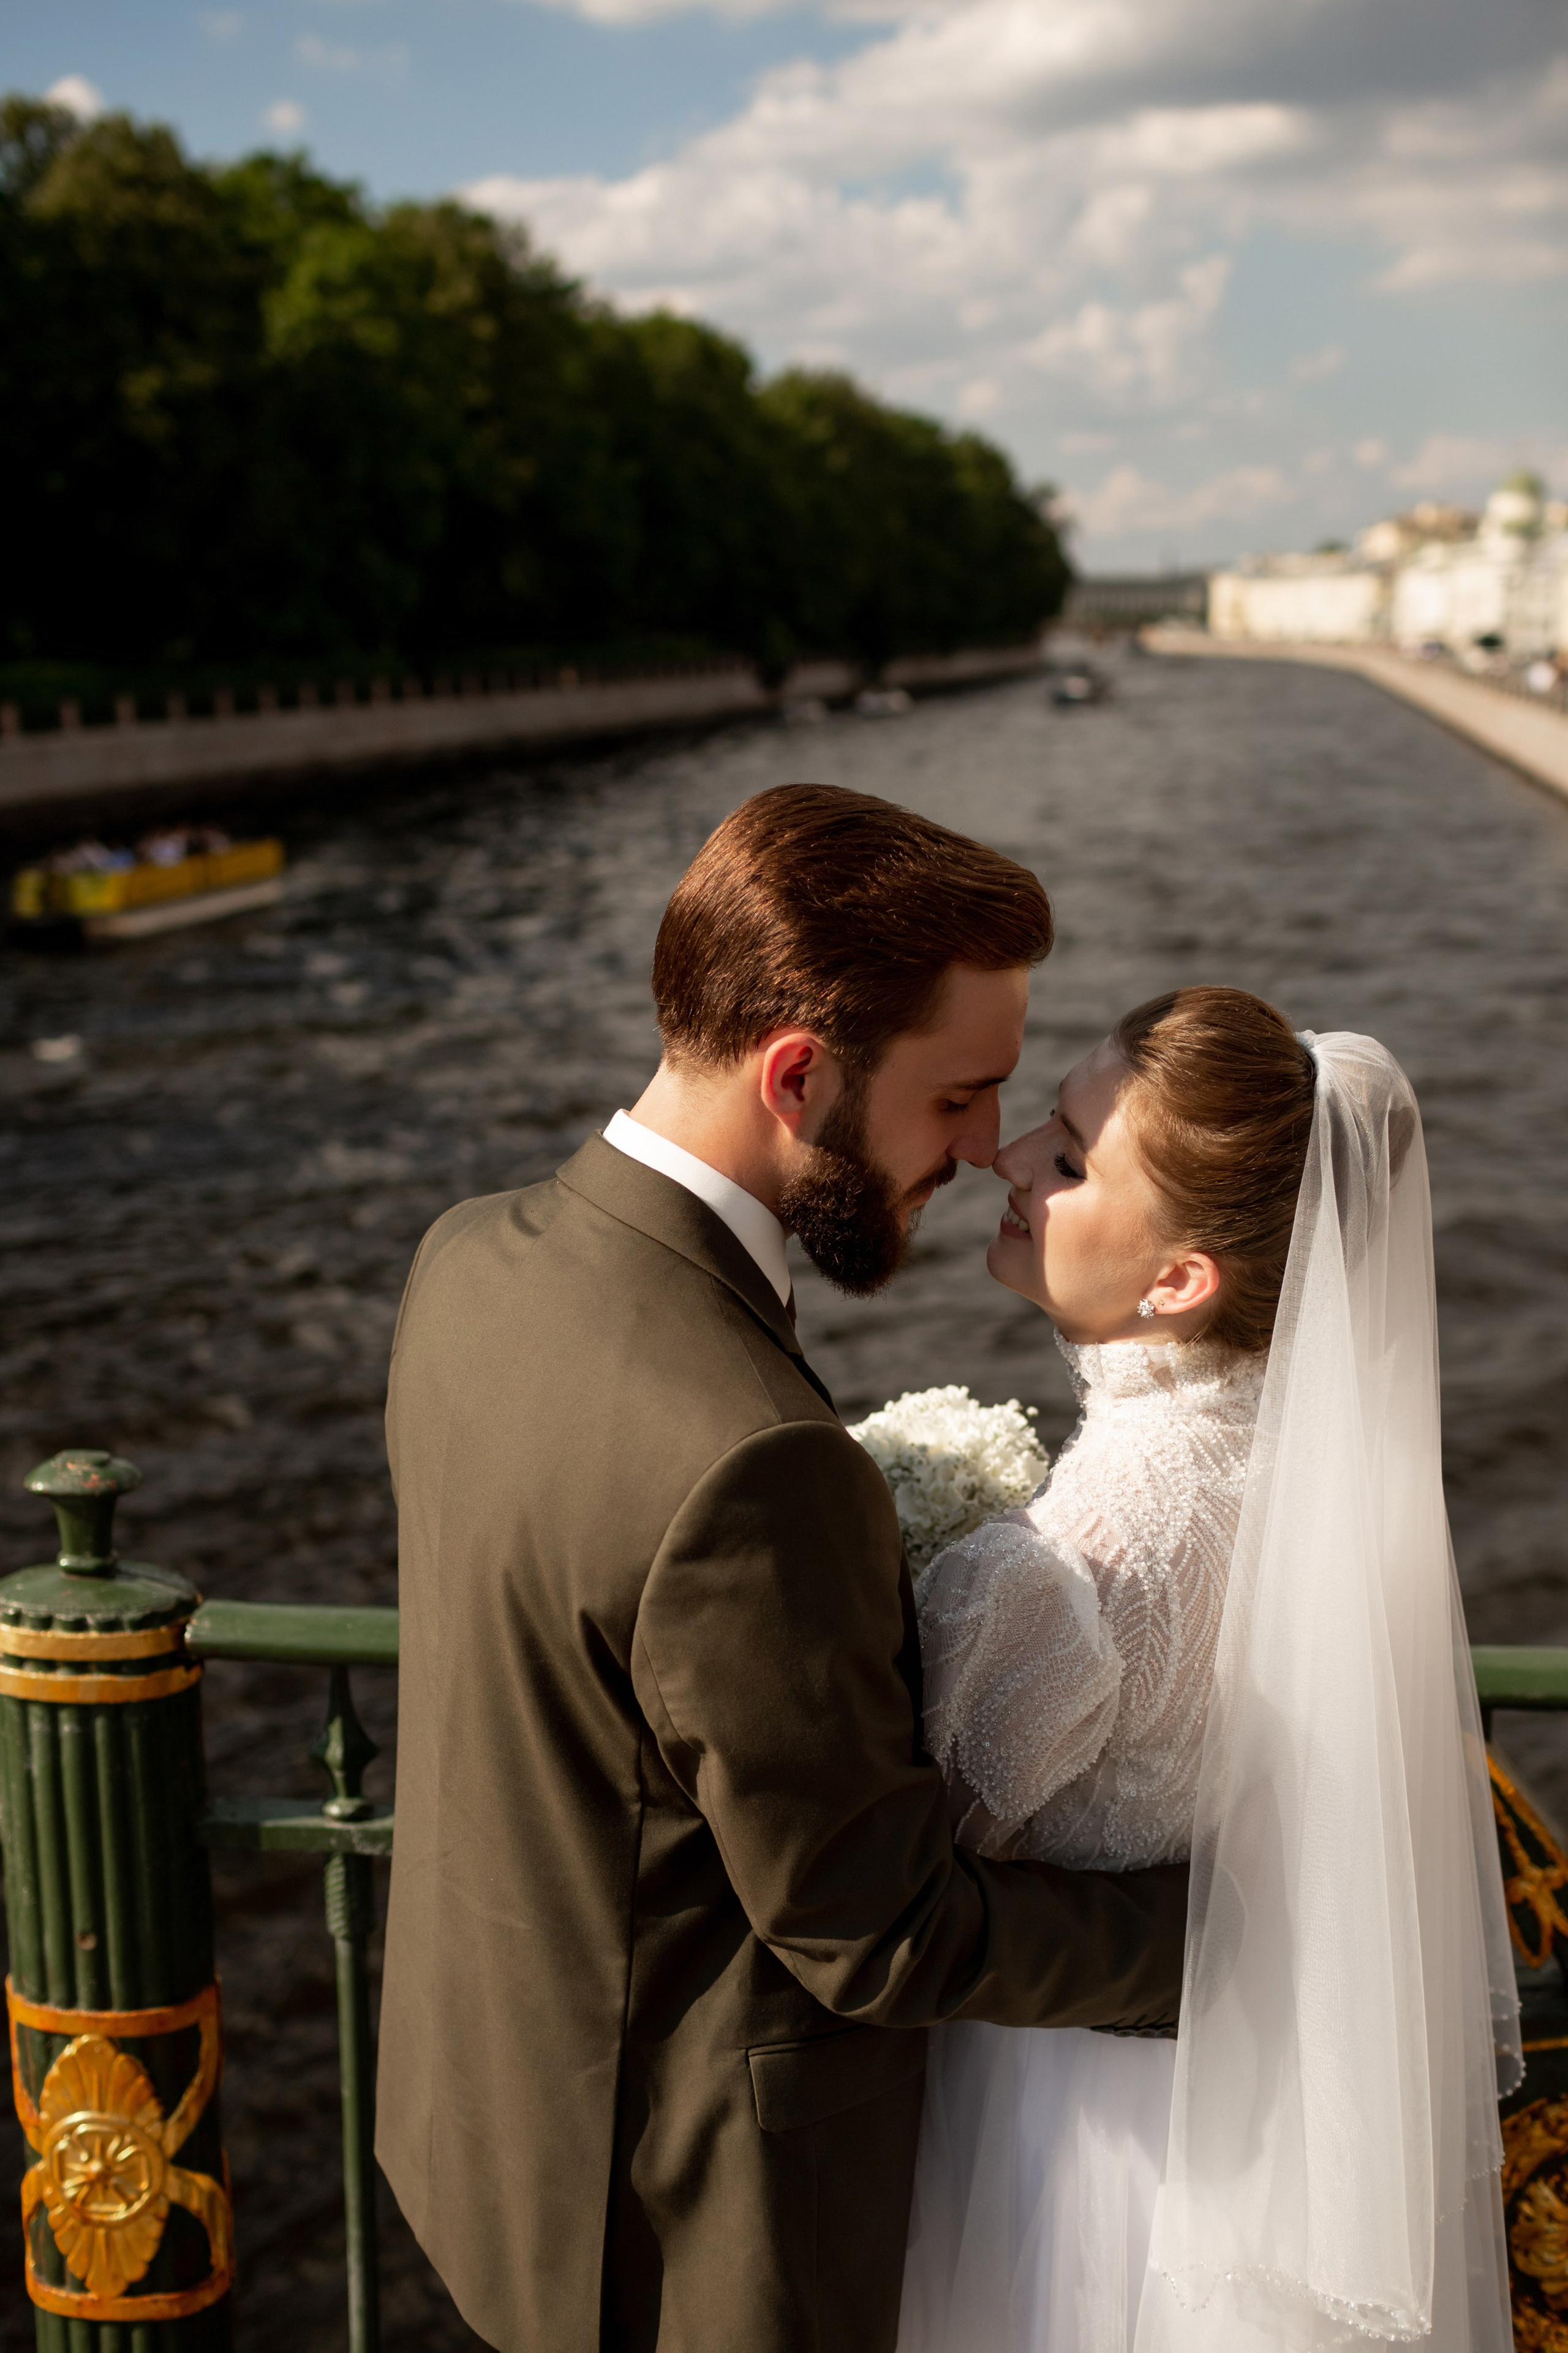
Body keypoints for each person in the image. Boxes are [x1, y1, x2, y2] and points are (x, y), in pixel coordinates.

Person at [376, 784, 1191, 2353]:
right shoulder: (753, 1460)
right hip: (682, 2238)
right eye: (959, 1097)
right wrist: (1229, 1934)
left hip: (482, 2138)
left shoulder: (466, 1259)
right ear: (799, 1075)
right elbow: (873, 1932)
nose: (982, 1152)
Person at [897, 988, 1519, 2353]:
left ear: (1179, 1280)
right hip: (1246, 2126)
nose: (1005, 1162)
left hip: (1063, 2144)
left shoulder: (1072, 1561)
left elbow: (900, 1864)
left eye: (1063, 1159)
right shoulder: (1314, 1487)